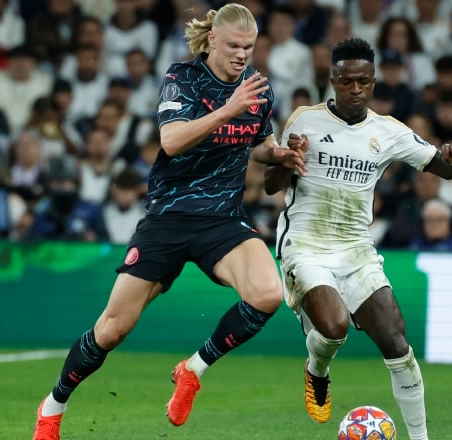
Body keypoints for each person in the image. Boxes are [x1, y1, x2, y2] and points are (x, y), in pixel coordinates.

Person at [31, 4, 307, 439]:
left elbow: (257, 142)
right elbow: (172, 140)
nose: (241, 55)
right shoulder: (183, 79)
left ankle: (192, 369)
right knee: (111, 329)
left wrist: (279, 154)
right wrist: (227, 109)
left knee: (269, 295)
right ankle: (52, 406)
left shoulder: (258, 89)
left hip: (222, 219)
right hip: (169, 218)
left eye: (249, 48)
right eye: (234, 46)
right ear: (213, 40)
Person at [263, 38, 452, 440]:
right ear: (333, 81)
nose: (356, 89)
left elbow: (444, 170)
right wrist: (290, 158)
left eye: (364, 81)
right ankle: (316, 371)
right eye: (347, 81)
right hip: (305, 243)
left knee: (396, 342)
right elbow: (272, 186)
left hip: (356, 247)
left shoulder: (388, 131)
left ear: (373, 83)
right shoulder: (304, 121)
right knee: (335, 326)